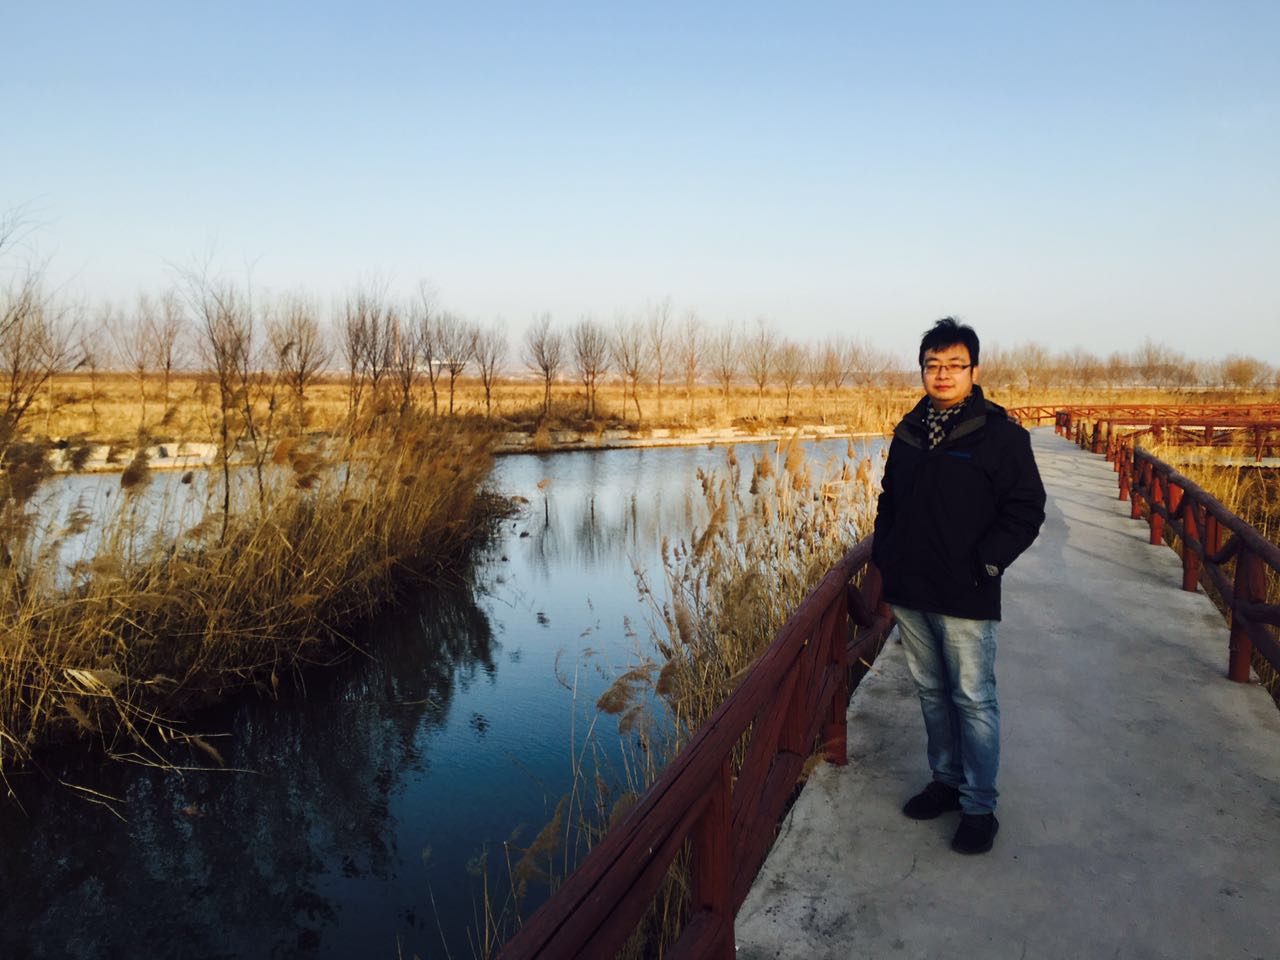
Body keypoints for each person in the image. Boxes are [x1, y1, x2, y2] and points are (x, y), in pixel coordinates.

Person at [871, 317, 1046, 854]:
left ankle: (979, 807)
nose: (942, 374)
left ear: (974, 370)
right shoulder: (908, 433)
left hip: (966, 591)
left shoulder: (1001, 436)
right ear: (922, 370)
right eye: (933, 365)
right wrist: (885, 557)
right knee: (931, 693)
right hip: (911, 589)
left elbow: (1026, 509)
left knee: (973, 699)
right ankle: (945, 782)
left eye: (954, 365)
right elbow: (889, 501)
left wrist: (987, 564)